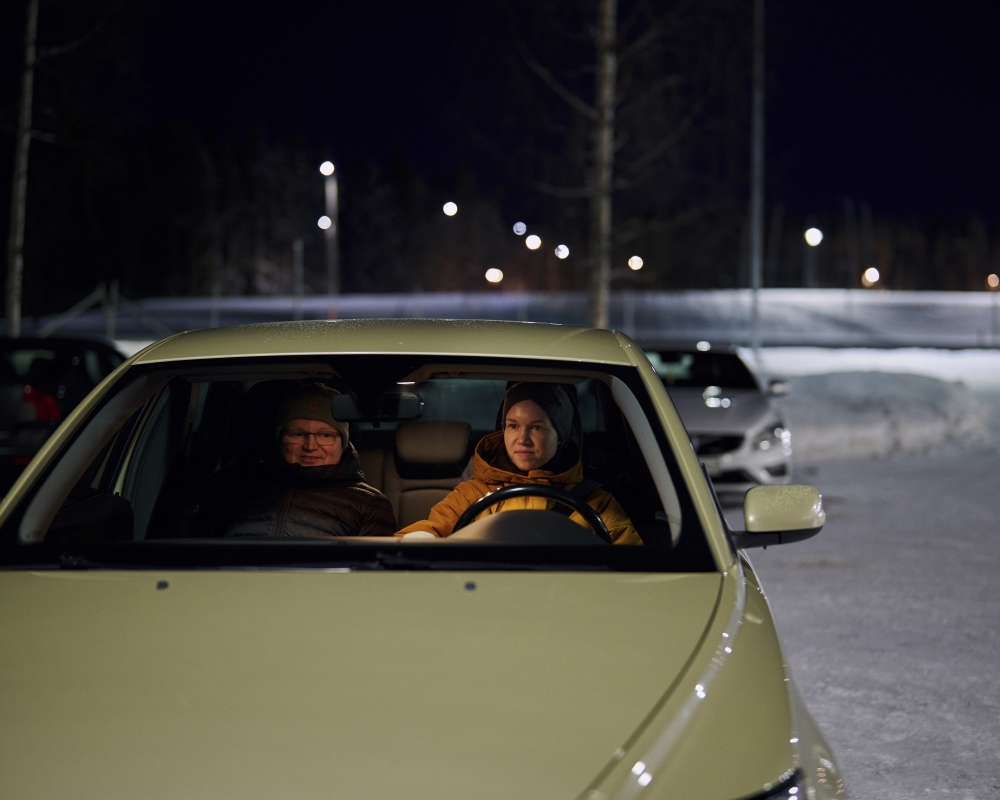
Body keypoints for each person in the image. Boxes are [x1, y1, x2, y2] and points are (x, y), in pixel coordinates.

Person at [397, 382, 641, 544]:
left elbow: (634, 566)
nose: (522, 439)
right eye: (513, 425)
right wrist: (421, 539)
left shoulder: (597, 502)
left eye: (536, 427)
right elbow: (425, 533)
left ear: (562, 435)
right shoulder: (472, 494)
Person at [196, 383, 396, 538]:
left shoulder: (369, 503)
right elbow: (194, 556)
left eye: (325, 435)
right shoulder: (235, 487)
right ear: (280, 438)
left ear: (343, 443)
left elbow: (371, 578)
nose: (310, 445)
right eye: (297, 434)